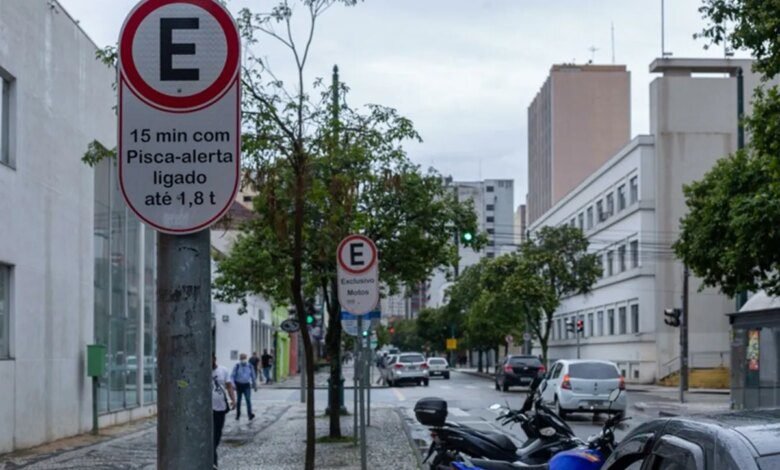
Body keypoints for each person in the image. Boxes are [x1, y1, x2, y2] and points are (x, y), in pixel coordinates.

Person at [213, 354, 236, 469]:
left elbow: (229, 386)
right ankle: (213, 463)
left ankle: (212, 460)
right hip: (207, 410)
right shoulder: (201, 371)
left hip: (220, 408)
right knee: (209, 438)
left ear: (214, 359)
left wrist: (233, 399)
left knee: (217, 435)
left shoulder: (223, 370)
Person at [231, 353, 256, 420]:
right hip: (238, 385)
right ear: (240, 359)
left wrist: (254, 385)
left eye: (244, 358)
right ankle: (238, 414)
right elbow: (232, 376)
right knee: (239, 400)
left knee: (248, 400)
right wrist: (233, 385)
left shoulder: (250, 366)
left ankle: (250, 414)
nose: (243, 360)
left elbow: (253, 375)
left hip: (246, 385)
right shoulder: (237, 366)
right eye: (242, 358)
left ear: (246, 358)